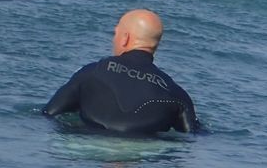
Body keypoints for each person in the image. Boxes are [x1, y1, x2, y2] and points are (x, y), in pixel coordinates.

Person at [43, 9, 200, 134]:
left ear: (125, 38)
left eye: (115, 33)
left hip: (89, 147)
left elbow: (49, 113)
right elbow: (193, 136)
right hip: (146, 153)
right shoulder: (177, 95)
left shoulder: (92, 71)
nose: (114, 39)